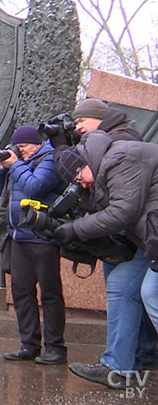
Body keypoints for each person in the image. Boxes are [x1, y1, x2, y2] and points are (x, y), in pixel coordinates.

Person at [54, 131, 158, 388]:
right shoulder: (103, 168)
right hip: (150, 239)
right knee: (121, 286)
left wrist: (76, 229)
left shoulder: (120, 158)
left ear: (84, 165)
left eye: (79, 177)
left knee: (151, 292)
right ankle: (117, 368)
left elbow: (123, 211)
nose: (83, 184)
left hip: (153, 236)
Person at [0, 125, 68, 364]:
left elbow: (35, 188)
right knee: (22, 293)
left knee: (50, 294)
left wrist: (15, 165)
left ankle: (55, 348)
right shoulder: (18, 163)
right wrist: (1, 165)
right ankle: (29, 345)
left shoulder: (49, 158)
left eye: (23, 146)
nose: (21, 150)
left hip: (43, 237)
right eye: (18, 147)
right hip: (18, 237)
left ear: (35, 143)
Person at [72, 98, 141, 141]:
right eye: (76, 123)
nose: (78, 127)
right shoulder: (115, 135)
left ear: (99, 117)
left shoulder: (120, 139)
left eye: (82, 121)